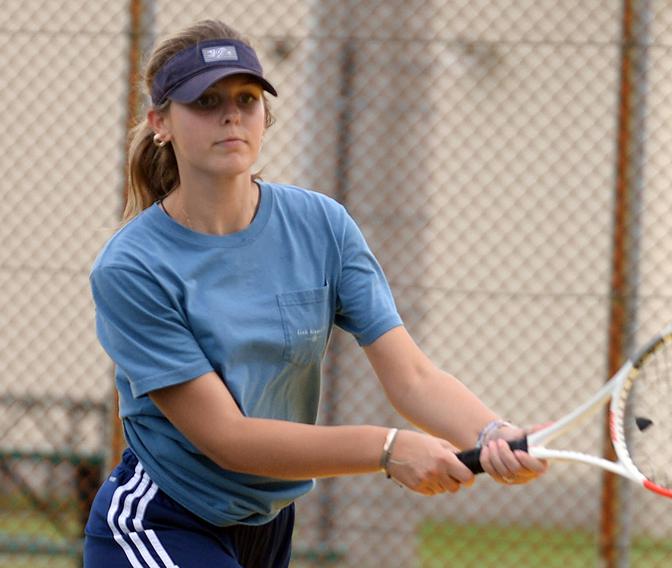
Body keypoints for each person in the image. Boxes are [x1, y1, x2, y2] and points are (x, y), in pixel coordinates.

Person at [82, 19, 547, 568]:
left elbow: (413, 377)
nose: (231, 114)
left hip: (268, 524)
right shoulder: (132, 267)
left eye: (246, 98)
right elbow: (228, 439)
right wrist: (388, 449)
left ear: (265, 115)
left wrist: (492, 434)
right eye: (205, 101)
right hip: (164, 520)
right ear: (160, 122)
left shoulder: (322, 225)